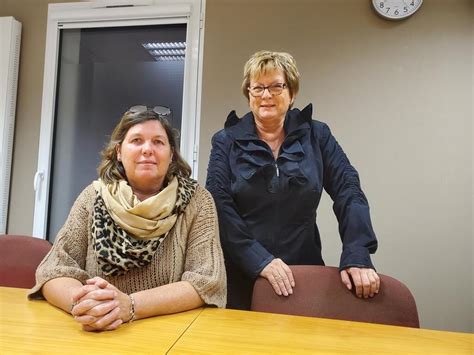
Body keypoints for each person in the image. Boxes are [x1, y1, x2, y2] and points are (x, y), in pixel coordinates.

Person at [206, 50, 380, 310]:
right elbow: (218, 204)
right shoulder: (225, 140)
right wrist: (259, 260)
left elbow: (348, 189)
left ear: (292, 92)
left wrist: (357, 252)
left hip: (303, 273)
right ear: (248, 94)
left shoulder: (317, 135)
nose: (266, 95)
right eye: (258, 88)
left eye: (276, 86)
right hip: (241, 276)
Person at [28, 105, 226, 331]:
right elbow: (53, 270)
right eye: (137, 140)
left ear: (171, 154)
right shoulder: (92, 197)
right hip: (99, 332)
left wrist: (131, 306)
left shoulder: (197, 201)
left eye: (158, 142)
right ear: (119, 152)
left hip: (169, 334)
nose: (147, 150)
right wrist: (85, 304)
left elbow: (207, 281)